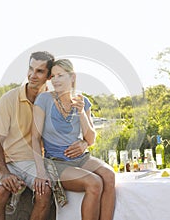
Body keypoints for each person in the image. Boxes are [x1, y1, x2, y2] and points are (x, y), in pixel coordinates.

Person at [32, 59, 116, 220]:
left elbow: (91, 139)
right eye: (53, 76)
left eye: (60, 75)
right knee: (94, 183)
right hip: (56, 162)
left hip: (80, 158)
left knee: (109, 175)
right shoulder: (44, 100)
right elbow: (34, 138)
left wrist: (81, 113)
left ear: (72, 77)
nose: (55, 80)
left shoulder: (83, 102)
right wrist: (40, 172)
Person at [0, 51, 55, 220]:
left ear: (48, 76)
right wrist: (3, 173)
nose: (32, 75)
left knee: (44, 191)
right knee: (0, 192)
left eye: (39, 71)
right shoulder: (9, 99)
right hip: (10, 161)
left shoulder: (52, 101)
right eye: (30, 69)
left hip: (35, 163)